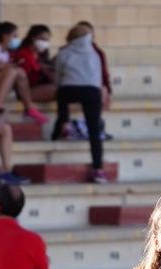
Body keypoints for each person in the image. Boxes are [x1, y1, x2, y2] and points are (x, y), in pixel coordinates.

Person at [52, 24, 108, 183]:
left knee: (61, 95)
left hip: (69, 88)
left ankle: (64, 124)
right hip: (92, 91)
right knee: (94, 131)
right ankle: (98, 169)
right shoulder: (94, 54)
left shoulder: (64, 53)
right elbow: (98, 76)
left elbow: (58, 78)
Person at [0, 22, 50, 124]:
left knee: (20, 72)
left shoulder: (9, 53)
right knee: (11, 71)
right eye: (15, 36)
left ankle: (29, 108)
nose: (17, 39)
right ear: (5, 36)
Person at [11, 24, 57, 104]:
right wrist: (43, 72)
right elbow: (25, 77)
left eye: (47, 40)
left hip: (39, 87)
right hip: (26, 90)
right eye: (42, 39)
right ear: (33, 38)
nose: (44, 43)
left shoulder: (40, 55)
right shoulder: (23, 54)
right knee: (60, 90)